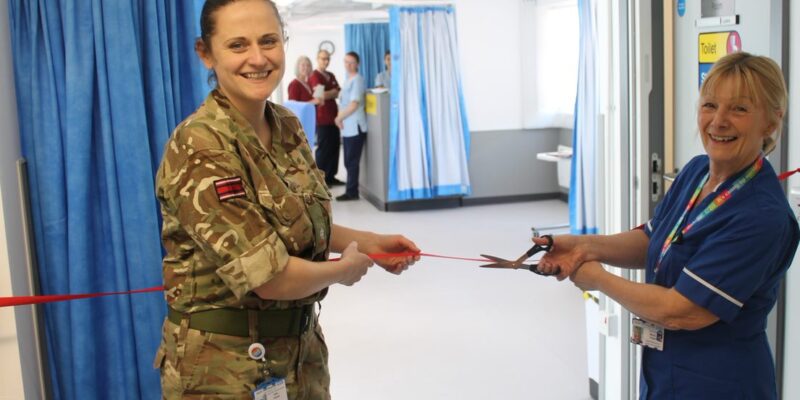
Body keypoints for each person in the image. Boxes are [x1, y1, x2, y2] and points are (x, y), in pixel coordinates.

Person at [152, 1, 420, 398]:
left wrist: (370, 243)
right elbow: (269, 277)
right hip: (221, 368)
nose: (258, 58)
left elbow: (301, 221)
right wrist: (342, 270)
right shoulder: (201, 146)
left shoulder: (286, 126)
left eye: (268, 41)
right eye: (238, 45)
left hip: (299, 354)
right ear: (206, 53)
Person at [536, 52, 799, 399]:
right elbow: (653, 239)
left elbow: (682, 312)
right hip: (664, 372)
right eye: (710, 105)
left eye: (739, 109)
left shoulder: (761, 216)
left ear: (771, 122)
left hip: (719, 382)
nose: (718, 121)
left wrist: (597, 278)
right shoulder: (696, 172)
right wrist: (583, 246)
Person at [334, 52, 367, 201]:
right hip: (347, 127)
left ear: (357, 64)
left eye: (352, 62)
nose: (348, 65)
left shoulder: (358, 80)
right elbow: (343, 103)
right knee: (348, 161)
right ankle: (351, 189)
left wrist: (339, 118)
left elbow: (354, 104)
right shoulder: (348, 80)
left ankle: (352, 192)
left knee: (352, 161)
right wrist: (340, 118)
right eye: (346, 62)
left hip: (355, 126)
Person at [309, 49, 343, 187]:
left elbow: (338, 92)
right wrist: (332, 92)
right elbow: (319, 95)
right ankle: (322, 180)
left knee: (334, 147)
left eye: (328, 58)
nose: (326, 61)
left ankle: (331, 177)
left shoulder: (331, 75)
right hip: (322, 118)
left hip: (334, 117)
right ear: (317, 59)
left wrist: (329, 93)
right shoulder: (314, 76)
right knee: (324, 150)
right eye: (323, 58)